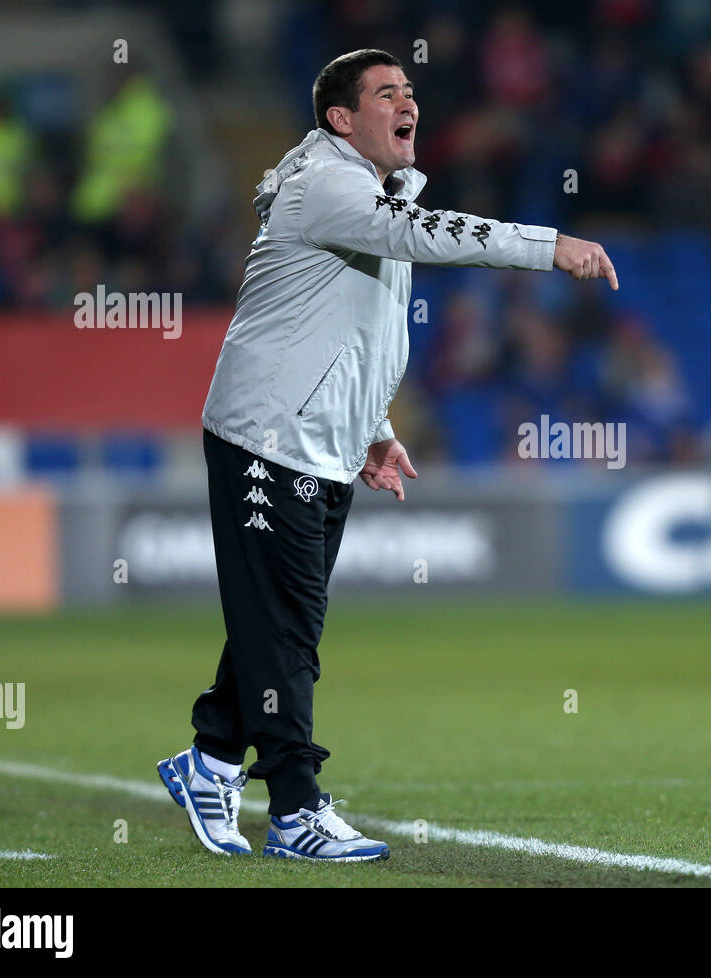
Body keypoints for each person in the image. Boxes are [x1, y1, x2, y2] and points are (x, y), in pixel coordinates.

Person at [157, 49, 616, 863]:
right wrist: (549, 244)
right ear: (341, 120)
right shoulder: (330, 183)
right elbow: (426, 239)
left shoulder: (372, 189)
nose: (408, 102)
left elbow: (355, 325)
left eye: (410, 90)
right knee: (290, 630)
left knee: (278, 622)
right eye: (385, 94)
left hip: (321, 437)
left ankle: (213, 758)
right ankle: (294, 808)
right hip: (268, 435)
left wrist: (372, 424)